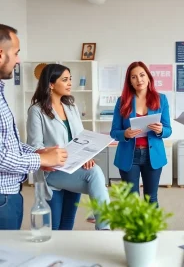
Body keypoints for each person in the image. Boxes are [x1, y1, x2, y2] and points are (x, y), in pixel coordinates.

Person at [27, 63, 110, 230]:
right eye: (65, 80)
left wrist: (87, 157)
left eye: (70, 79)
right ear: (51, 84)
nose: (70, 83)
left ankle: (102, 219)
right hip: (53, 173)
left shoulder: (71, 106)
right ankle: (104, 226)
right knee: (54, 227)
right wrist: (54, 156)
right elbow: (34, 146)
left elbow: (81, 137)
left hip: (74, 168)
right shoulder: (36, 111)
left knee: (67, 224)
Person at [0, 24, 67, 230]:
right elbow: (2, 156)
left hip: (10, 193)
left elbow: (8, 144)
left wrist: (38, 152)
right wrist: (41, 158)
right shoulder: (36, 109)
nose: (18, 60)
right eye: (16, 53)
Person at [110, 61, 172, 204]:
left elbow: (168, 130)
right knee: (131, 201)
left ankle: (151, 228)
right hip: (129, 156)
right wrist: (125, 134)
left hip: (153, 155)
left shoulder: (161, 99)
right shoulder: (122, 101)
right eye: (134, 77)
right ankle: (133, 227)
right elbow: (114, 132)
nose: (139, 80)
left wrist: (161, 130)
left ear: (148, 77)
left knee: (151, 198)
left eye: (142, 75)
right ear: (129, 81)